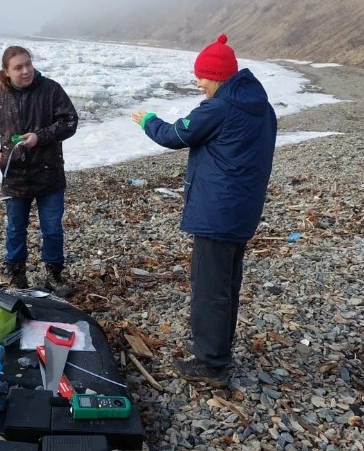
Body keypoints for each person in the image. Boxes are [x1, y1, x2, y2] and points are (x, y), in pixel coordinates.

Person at [131, 34, 277, 387]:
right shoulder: (262, 107)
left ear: (216, 76)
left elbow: (174, 136)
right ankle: (218, 351)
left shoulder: (218, 109)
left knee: (210, 288)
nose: (198, 83)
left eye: (201, 77)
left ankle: (210, 363)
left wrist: (147, 119)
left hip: (218, 213)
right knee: (226, 284)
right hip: (242, 210)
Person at [0, 46, 79, 296]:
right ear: (6, 72)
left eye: (28, 64)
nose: (25, 71)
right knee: (15, 229)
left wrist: (40, 137)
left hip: (48, 173)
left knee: (52, 228)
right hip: (14, 177)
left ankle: (54, 275)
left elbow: (70, 122)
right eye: (18, 67)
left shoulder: (51, 89)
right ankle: (17, 277)